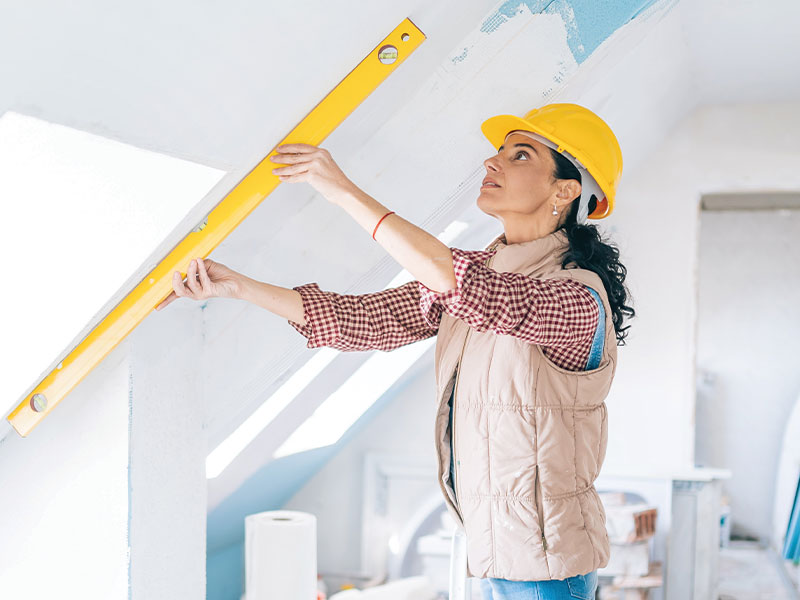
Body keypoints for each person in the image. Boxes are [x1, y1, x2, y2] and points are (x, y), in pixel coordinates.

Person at [155, 103, 635, 600]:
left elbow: (479, 294)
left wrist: (342, 191)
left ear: (566, 189)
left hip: (547, 569)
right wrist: (239, 287)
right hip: (491, 553)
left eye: (519, 155)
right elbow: (362, 321)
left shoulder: (577, 297)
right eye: (497, 153)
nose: (490, 164)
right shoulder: (480, 271)